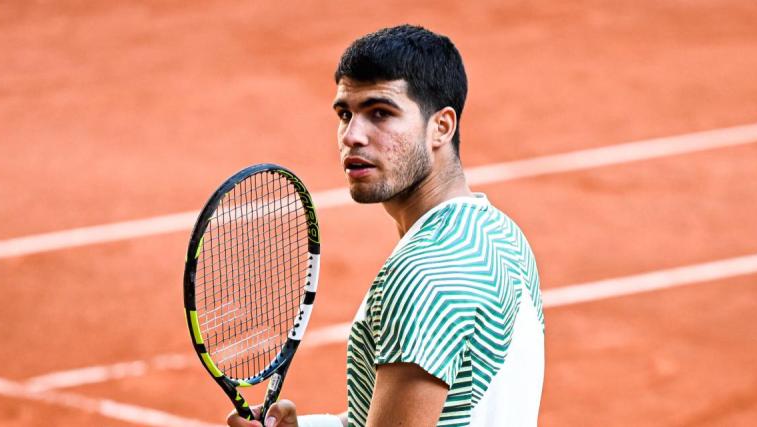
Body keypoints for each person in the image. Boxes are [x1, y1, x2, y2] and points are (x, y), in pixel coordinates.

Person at [228, 24, 545, 427]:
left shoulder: (423, 276)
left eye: (381, 113)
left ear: (441, 127)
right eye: (345, 114)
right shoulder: (497, 233)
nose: (352, 136)